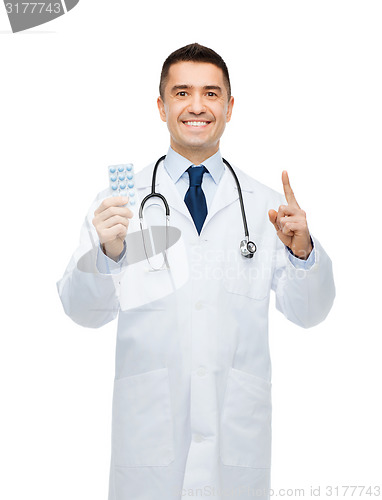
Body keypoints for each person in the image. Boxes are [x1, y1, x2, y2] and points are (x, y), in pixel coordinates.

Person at [57, 43, 335, 500]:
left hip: (235, 439)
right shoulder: (120, 204)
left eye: (211, 93)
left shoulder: (266, 206)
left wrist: (303, 249)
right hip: (149, 443)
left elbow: (311, 312)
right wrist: (108, 251)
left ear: (229, 107)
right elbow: (81, 311)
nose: (197, 106)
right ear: (162, 106)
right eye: (182, 92)